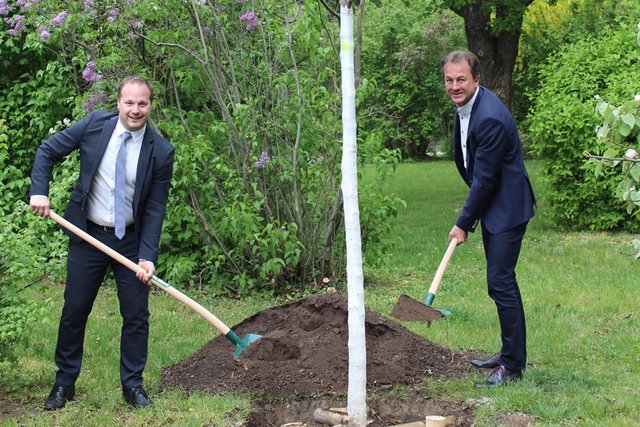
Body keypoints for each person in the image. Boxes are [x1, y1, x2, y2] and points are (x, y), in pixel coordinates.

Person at [29, 76, 175, 409]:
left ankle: (133, 386)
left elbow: (154, 207)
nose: (135, 110)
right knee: (74, 310)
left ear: (150, 106)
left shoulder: (161, 152)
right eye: (129, 102)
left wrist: (148, 256)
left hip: (131, 242)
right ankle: (64, 383)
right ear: (119, 103)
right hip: (87, 234)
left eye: (142, 104)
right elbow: (47, 151)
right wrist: (40, 191)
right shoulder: (96, 125)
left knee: (136, 315)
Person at [441, 51, 535, 387]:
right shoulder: (466, 108)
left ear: (476, 79)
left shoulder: (490, 118)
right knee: (501, 283)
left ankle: (512, 366)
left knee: (500, 282)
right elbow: (473, 168)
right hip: (494, 205)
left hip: (507, 208)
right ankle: (511, 353)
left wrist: (464, 222)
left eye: (461, 79)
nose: (455, 86)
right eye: (450, 80)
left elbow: (486, 180)